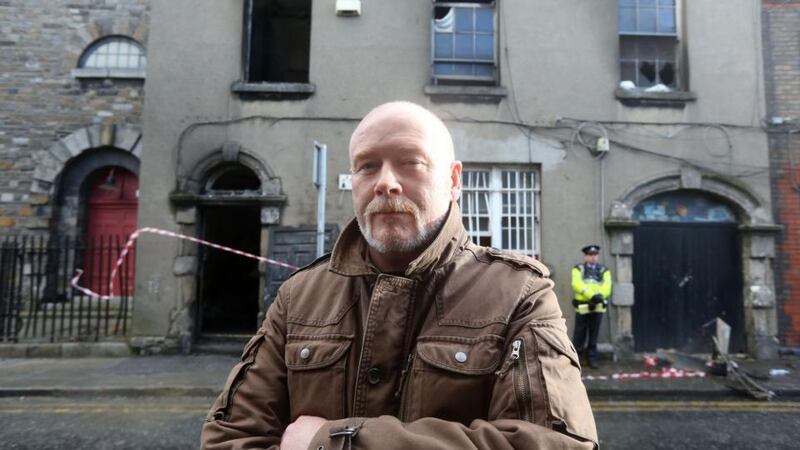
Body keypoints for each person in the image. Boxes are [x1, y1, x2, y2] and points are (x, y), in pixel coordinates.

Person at [201, 101, 598, 450]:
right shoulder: (299, 297)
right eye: (367, 166)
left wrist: (333, 444)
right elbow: (231, 438)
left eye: (411, 162)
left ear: (454, 180)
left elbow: (555, 444)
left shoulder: (520, 294)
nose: (385, 182)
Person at [571, 245, 613, 370]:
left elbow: (607, 286)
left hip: (598, 306)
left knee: (594, 334)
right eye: (590, 255)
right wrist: (592, 295)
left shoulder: (604, 270)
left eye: (595, 255)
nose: (593, 257)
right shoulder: (578, 269)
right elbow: (577, 284)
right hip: (583, 306)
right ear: (585, 256)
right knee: (579, 333)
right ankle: (576, 359)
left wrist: (600, 296)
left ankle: (592, 358)